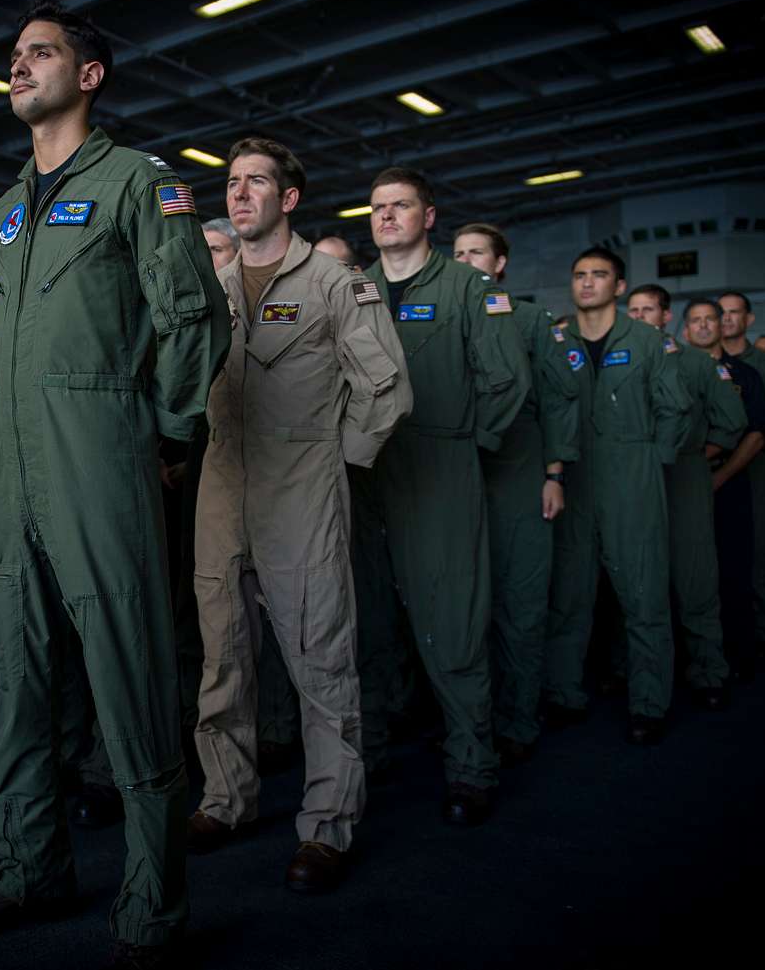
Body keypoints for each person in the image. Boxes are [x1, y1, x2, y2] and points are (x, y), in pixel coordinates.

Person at [0, 0, 228, 968]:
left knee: (128, 673)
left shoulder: (139, 183)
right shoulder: (8, 206)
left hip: (98, 454)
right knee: (16, 679)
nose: (18, 66)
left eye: (40, 53)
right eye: (13, 55)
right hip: (11, 471)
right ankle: (30, 868)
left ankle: (152, 903)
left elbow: (192, 317)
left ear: (89, 75)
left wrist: (167, 432)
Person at [187, 137, 410, 892]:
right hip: (221, 487)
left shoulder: (332, 281)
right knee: (222, 656)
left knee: (320, 660)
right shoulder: (211, 284)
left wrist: (335, 459)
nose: (239, 193)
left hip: (302, 488)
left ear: (288, 198)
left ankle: (328, 826)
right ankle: (226, 799)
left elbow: (385, 387)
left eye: (256, 182)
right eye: (231, 182)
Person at [352, 168, 528, 822]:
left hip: (441, 467)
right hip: (365, 474)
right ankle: (365, 760)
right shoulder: (353, 289)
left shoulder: (467, 288)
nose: (386, 216)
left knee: (453, 623)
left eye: (400, 205)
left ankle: (470, 767)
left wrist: (464, 444)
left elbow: (506, 381)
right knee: (366, 624)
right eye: (376, 208)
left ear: (429, 216)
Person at [546, 249, 687, 745]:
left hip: (632, 480)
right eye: (579, 275)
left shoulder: (648, 341)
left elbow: (675, 409)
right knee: (570, 596)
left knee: (644, 597)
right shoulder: (556, 340)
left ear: (620, 286)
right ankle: (564, 694)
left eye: (599, 275)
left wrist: (651, 463)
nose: (587, 283)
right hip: (575, 481)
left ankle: (649, 704)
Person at [455, 224, 578, 761]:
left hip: (519, 471)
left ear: (500, 263)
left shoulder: (530, 320)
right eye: (456, 253)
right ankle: (467, 719)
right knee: (462, 608)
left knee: (520, 603)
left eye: (476, 252)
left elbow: (558, 400)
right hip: (458, 478)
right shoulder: (442, 315)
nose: (465, 260)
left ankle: (518, 720)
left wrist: (553, 475)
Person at [625, 286, 745, 706]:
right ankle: (645, 676)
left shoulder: (694, 362)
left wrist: (693, 456)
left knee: (694, 576)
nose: (639, 317)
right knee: (639, 579)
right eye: (633, 310)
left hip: (683, 476)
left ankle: (709, 670)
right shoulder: (620, 361)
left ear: (665, 316)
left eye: (648, 310)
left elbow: (733, 422)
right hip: (633, 479)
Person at [685, 300, 765, 680]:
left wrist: (720, 476)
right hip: (685, 486)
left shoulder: (745, 374)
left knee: (734, 570)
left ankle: (739, 655)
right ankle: (696, 657)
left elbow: (755, 434)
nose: (702, 327)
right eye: (695, 321)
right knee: (691, 574)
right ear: (684, 330)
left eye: (710, 320)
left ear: (723, 325)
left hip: (729, 483)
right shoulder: (675, 371)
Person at [717, 293, 765, 651]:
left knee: (760, 552)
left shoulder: (763, 364)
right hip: (714, 470)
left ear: (748, 319)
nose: (727, 319)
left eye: (735, 313)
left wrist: (740, 444)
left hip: (757, 468)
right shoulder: (705, 360)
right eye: (722, 313)